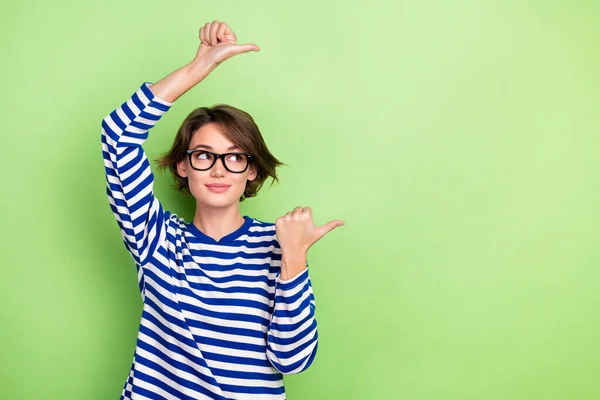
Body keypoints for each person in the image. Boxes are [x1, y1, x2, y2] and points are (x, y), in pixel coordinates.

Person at [101, 20, 344, 399]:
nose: (218, 169)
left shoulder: (278, 243)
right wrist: (198, 68)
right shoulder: (156, 239)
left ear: (251, 170)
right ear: (183, 165)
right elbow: (117, 136)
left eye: (234, 157)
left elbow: (292, 361)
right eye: (204, 155)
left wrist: (294, 258)